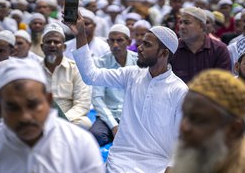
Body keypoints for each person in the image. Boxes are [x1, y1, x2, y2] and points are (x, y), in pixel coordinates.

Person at [66, 13, 188, 172]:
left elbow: (182, 136)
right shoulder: (132, 75)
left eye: (147, 44)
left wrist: (171, 166)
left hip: (157, 164)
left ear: (164, 53)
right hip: (121, 159)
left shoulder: (179, 90)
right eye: (141, 43)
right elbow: (91, 76)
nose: (140, 48)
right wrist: (80, 34)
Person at [0, 58, 104, 172]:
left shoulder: (80, 143)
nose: (25, 117)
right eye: (13, 108)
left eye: (32, 105)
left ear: (48, 100)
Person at [172, 69, 245, 173]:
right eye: (184, 115)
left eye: (198, 120)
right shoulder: (194, 156)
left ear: (234, 129)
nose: (184, 127)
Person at [90, 24, 138, 146]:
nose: (115, 45)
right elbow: (97, 98)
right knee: (95, 136)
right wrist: (114, 125)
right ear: (108, 42)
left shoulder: (138, 62)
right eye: (112, 41)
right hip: (108, 115)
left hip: (132, 114)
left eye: (120, 40)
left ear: (129, 42)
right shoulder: (101, 63)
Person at [41, 23, 92, 128]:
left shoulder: (76, 69)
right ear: (42, 47)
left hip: (68, 118)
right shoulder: (33, 70)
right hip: (41, 116)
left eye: (56, 42)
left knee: (84, 123)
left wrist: (61, 120)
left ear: (64, 47)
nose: (52, 45)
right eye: (48, 42)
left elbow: (82, 105)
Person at [170, 6, 231, 83]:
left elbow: (223, 83)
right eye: (180, 22)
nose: (181, 27)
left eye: (186, 23)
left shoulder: (219, 49)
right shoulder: (172, 49)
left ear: (202, 26)